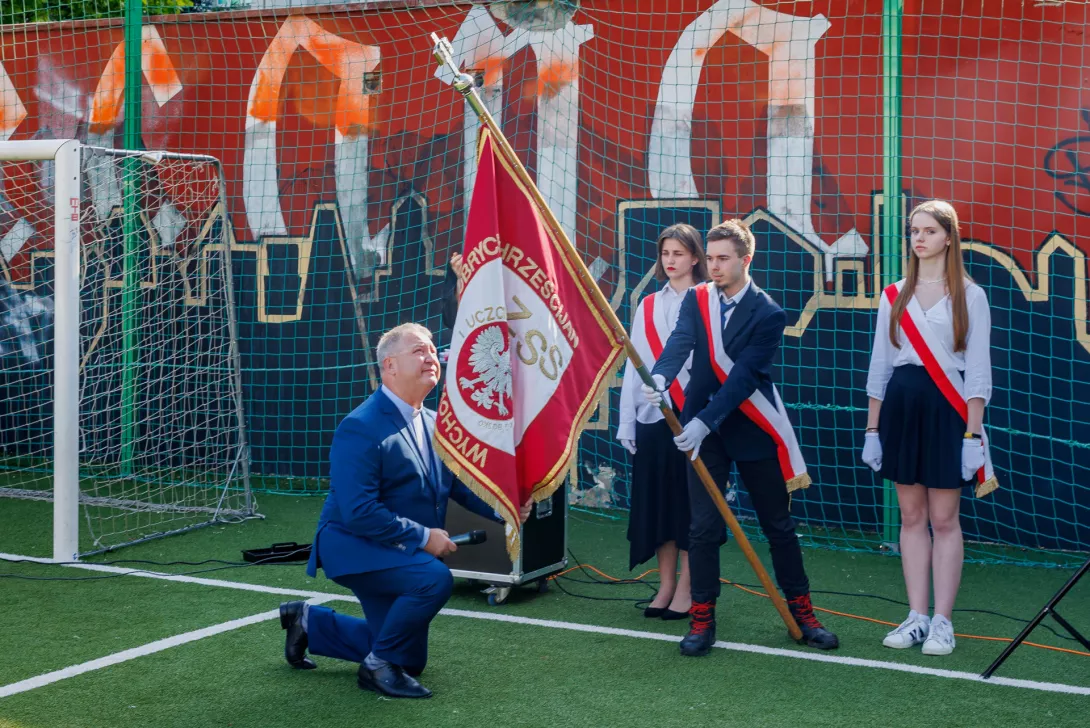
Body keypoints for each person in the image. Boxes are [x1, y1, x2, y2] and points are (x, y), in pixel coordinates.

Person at [278, 323, 531, 698]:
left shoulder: (435, 423)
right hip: (351, 545)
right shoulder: (360, 426)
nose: (431, 357)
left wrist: (504, 508)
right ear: (389, 366)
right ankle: (377, 667)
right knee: (433, 578)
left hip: (394, 549)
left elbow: (458, 484)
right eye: (418, 351)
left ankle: (310, 623)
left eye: (431, 349)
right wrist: (423, 537)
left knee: (409, 660)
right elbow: (358, 511)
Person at [642, 220, 839, 655]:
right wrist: (660, 376)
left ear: (746, 260)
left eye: (722, 259)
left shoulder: (769, 313)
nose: (713, 267)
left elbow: (744, 379)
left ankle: (803, 614)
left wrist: (703, 421)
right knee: (703, 528)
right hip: (703, 430)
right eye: (709, 258)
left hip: (750, 426)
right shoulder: (697, 300)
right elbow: (679, 342)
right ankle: (701, 620)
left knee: (778, 525)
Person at [862, 200, 994, 656]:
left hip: (947, 412)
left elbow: (977, 373)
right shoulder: (893, 293)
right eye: (914, 231)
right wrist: (872, 431)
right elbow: (880, 366)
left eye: (929, 231)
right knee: (912, 517)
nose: (919, 238)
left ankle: (943, 622)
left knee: (944, 519)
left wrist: (972, 437)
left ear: (949, 237)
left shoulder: (970, 295)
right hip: (901, 406)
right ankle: (916, 616)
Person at [617, 223, 707, 619]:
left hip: (692, 418)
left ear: (695, 258)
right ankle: (666, 584)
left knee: (689, 507)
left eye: (679, 254)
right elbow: (635, 366)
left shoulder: (709, 300)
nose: (671, 261)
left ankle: (688, 587)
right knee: (659, 506)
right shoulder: (648, 305)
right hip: (653, 419)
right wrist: (627, 421)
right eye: (665, 254)